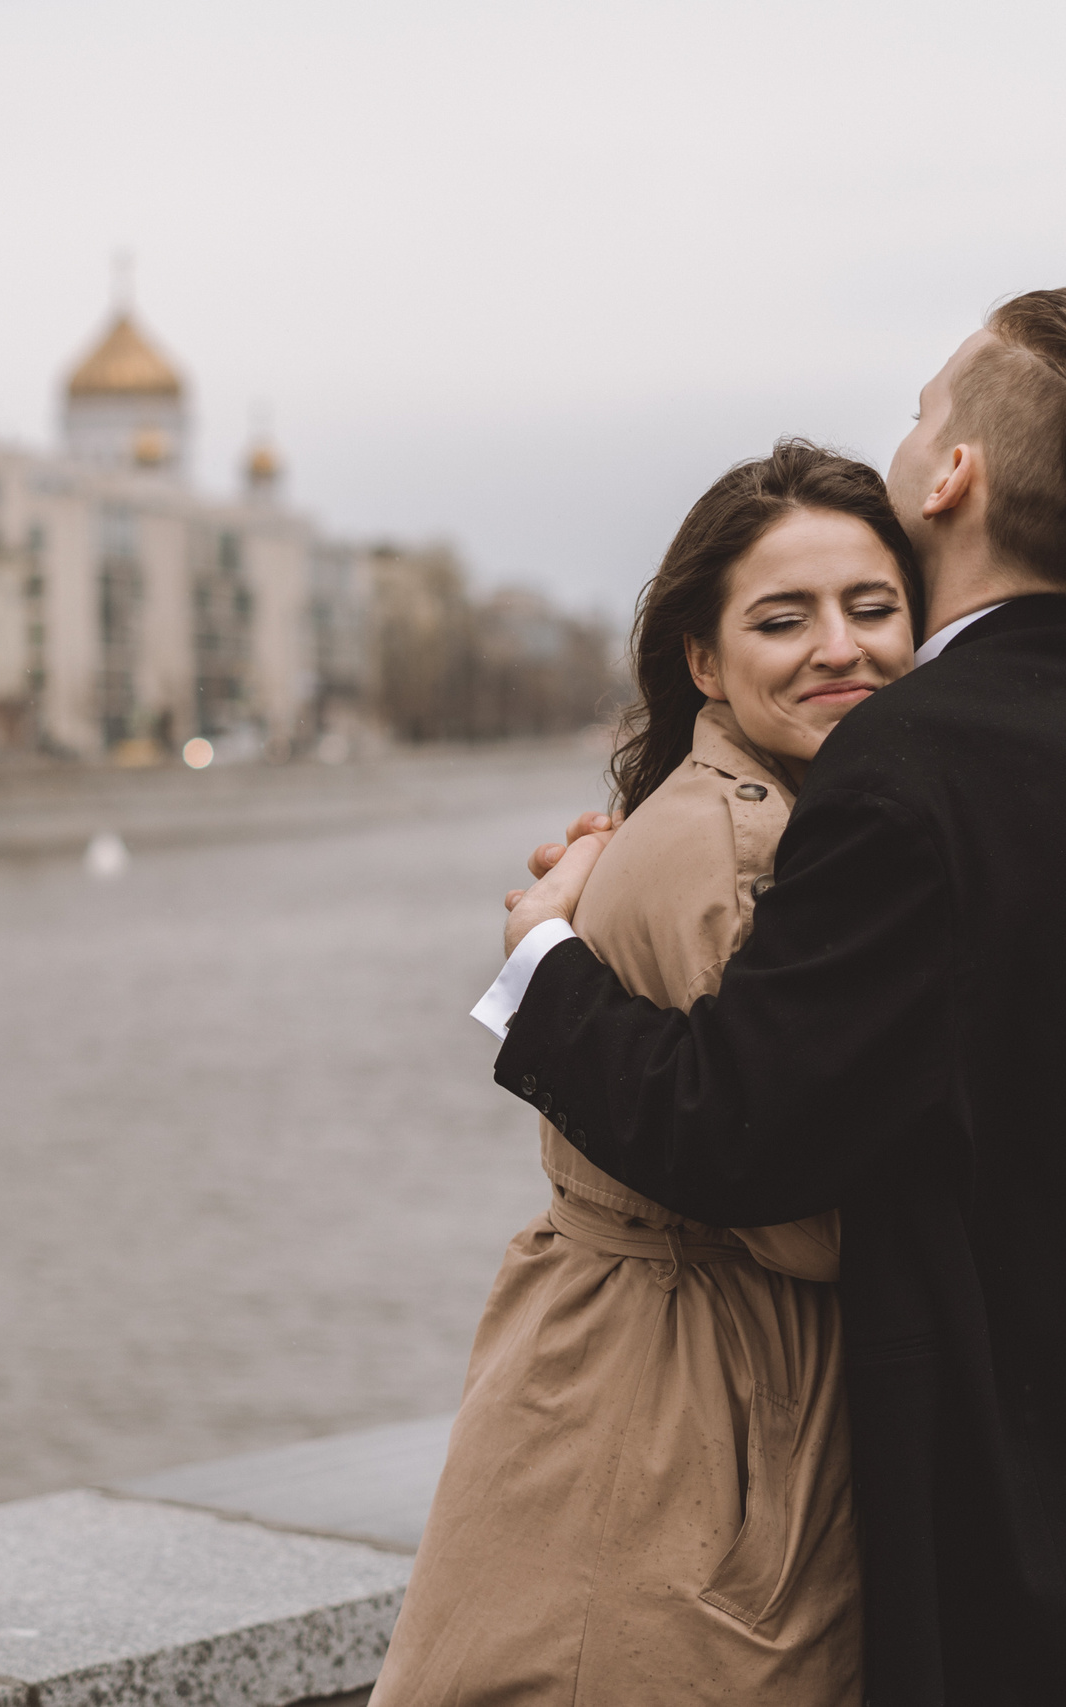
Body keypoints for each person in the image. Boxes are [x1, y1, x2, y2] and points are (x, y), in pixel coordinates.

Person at [479, 289, 1066, 1706]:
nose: (908, 433)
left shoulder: (912, 763)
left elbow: (731, 1125)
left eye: (926, 408)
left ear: (954, 475)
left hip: (1024, 1526)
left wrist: (541, 962)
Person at [372, 443, 923, 1706]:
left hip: (658, 1376)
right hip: (682, 1408)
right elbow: (787, 1197)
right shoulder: (744, 840)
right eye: (783, 619)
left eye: (873, 607)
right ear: (703, 659)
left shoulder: (772, 808)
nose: (838, 647)